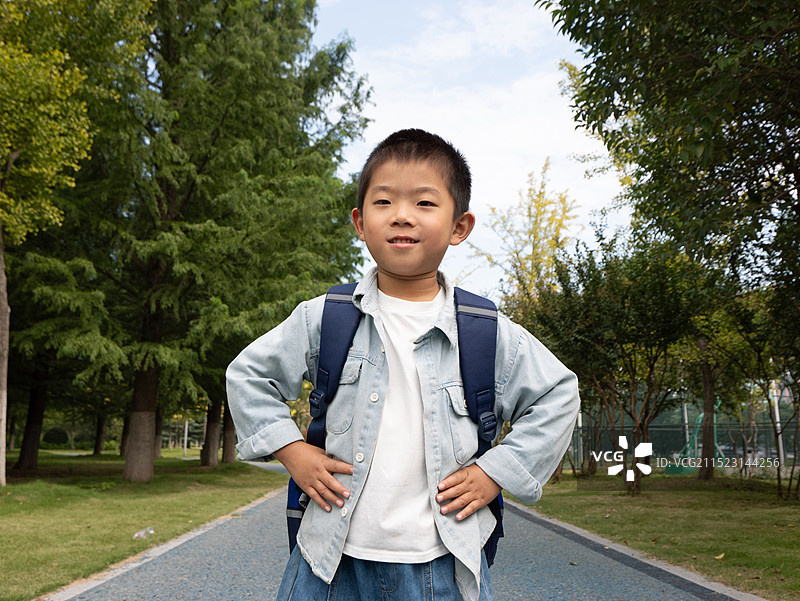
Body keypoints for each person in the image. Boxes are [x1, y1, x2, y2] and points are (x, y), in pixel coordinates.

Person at [226, 129, 580, 601]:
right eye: (384, 201)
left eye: (425, 203)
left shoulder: (487, 330)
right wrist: (292, 451)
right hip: (328, 561)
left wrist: (497, 473)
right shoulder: (325, 317)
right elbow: (247, 375)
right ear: (359, 221)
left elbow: (558, 394)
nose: (402, 216)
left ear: (460, 226)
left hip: (443, 566)